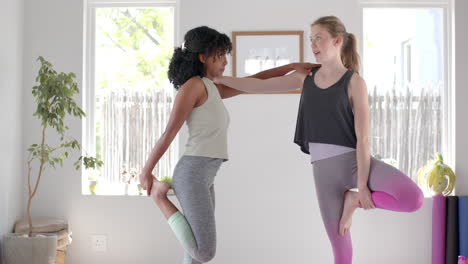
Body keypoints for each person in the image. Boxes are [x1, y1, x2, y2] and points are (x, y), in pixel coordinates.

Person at [214, 16, 424, 264]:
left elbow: (364, 137)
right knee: (341, 252)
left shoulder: (355, 82)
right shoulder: (305, 79)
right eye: (310, 39)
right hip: (324, 173)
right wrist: (217, 79)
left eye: (318, 38)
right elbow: (257, 86)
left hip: (356, 163)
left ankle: (353, 200)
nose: (312, 44)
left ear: (337, 41)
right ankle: (351, 200)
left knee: (414, 199)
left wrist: (362, 187)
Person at [139, 25, 315, 264]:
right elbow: (169, 132)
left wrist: (291, 67)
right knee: (204, 251)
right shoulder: (193, 86)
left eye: (225, 55)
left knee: (194, 252)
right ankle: (160, 198)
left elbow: (253, 81)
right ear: (202, 57)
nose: (225, 62)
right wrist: (147, 171)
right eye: (219, 55)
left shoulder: (210, 87)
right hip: (192, 173)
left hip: (204, 175)